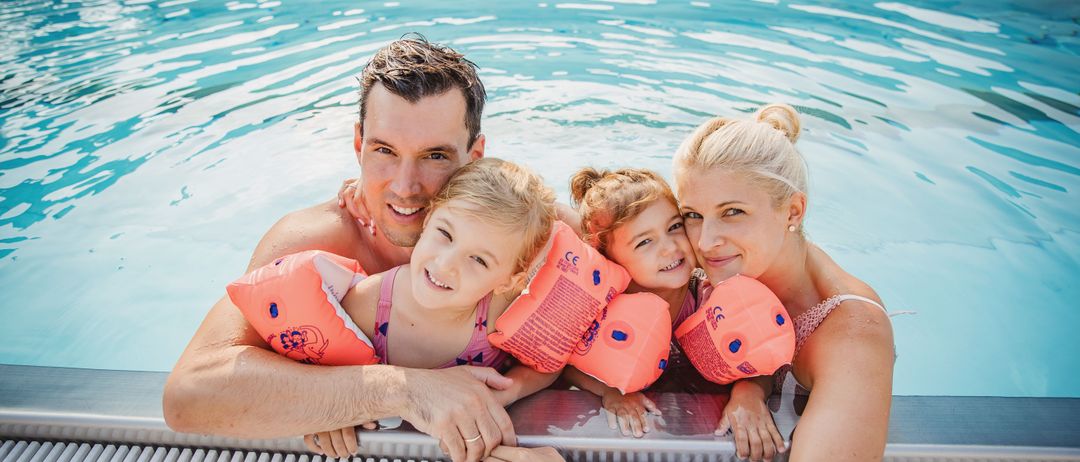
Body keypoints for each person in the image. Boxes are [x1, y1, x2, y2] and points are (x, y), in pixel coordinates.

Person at [164, 36, 550, 462]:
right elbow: (189, 395)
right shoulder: (313, 241)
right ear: (358, 146)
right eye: (384, 150)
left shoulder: (523, 239)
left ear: (474, 156)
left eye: (435, 156)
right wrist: (395, 391)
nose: (405, 186)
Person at [294, 158, 560, 459]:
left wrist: (511, 390)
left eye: (479, 260)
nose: (445, 264)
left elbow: (548, 365)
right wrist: (330, 410)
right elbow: (309, 372)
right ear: (428, 218)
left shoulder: (501, 312)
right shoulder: (367, 305)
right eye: (445, 234)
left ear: (509, 279)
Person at [673, 103, 894, 461]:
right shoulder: (702, 265)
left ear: (793, 211)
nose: (704, 241)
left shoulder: (853, 333)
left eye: (733, 212)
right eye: (693, 215)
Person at [562, 168, 785, 461]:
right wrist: (609, 391)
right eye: (645, 242)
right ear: (607, 255)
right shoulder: (601, 304)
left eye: (674, 227)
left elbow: (760, 359)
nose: (670, 248)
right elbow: (564, 362)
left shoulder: (710, 296)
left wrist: (750, 392)